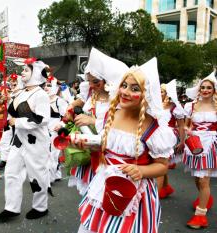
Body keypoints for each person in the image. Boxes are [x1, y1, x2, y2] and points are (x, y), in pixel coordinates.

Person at [75, 58, 176, 233]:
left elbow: (162, 166)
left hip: (134, 193)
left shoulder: (154, 128)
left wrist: (141, 171)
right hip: (104, 184)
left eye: (135, 88)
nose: (126, 92)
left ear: (146, 94)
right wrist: (88, 144)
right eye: (124, 85)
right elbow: (107, 148)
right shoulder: (111, 114)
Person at [66, 48, 128, 195]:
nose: (91, 85)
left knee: (104, 194)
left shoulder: (120, 100)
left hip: (108, 155)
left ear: (108, 81)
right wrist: (69, 111)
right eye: (89, 81)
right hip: (89, 149)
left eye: (96, 82)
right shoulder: (90, 93)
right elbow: (78, 102)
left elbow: (123, 128)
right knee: (88, 194)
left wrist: (93, 120)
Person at [0, 58, 51, 222]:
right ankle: (11, 208)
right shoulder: (21, 92)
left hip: (36, 142)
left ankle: (41, 207)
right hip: (18, 141)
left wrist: (17, 122)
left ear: (35, 74)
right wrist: (8, 101)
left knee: (37, 176)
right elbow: (13, 112)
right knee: (11, 173)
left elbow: (43, 119)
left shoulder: (41, 95)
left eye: (26, 70)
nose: (22, 73)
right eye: (23, 70)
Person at [183, 71, 217, 229]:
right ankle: (206, 199)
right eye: (202, 87)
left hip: (210, 144)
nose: (205, 90)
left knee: (204, 179)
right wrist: (187, 129)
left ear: (214, 89)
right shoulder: (191, 105)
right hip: (194, 143)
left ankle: (200, 216)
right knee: (197, 179)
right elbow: (187, 124)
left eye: (209, 87)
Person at [157, 80, 186, 199]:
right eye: (159, 91)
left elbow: (181, 126)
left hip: (168, 138)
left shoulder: (175, 108)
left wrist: (182, 141)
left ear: (167, 94)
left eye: (162, 91)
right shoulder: (155, 104)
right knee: (162, 164)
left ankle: (156, 196)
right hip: (155, 136)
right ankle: (165, 187)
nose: (160, 93)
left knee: (160, 163)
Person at [44, 75, 68, 183]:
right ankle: (57, 174)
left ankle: (49, 178)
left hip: (54, 130)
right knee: (47, 153)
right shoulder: (42, 99)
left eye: (49, 85)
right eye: (44, 85)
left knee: (53, 154)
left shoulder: (59, 101)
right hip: (44, 130)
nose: (46, 87)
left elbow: (67, 117)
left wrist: (61, 124)